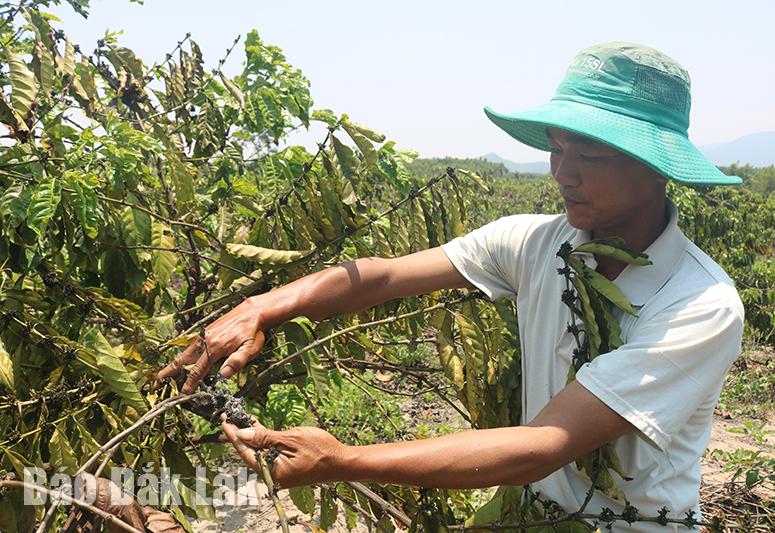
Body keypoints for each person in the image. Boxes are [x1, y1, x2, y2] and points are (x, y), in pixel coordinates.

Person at [157, 42, 744, 530]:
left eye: (587, 153)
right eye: (557, 150)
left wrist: (345, 460)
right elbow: (388, 273)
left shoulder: (698, 305)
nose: (561, 173)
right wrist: (266, 306)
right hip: (531, 514)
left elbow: (545, 444)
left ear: (655, 166)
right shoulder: (537, 244)